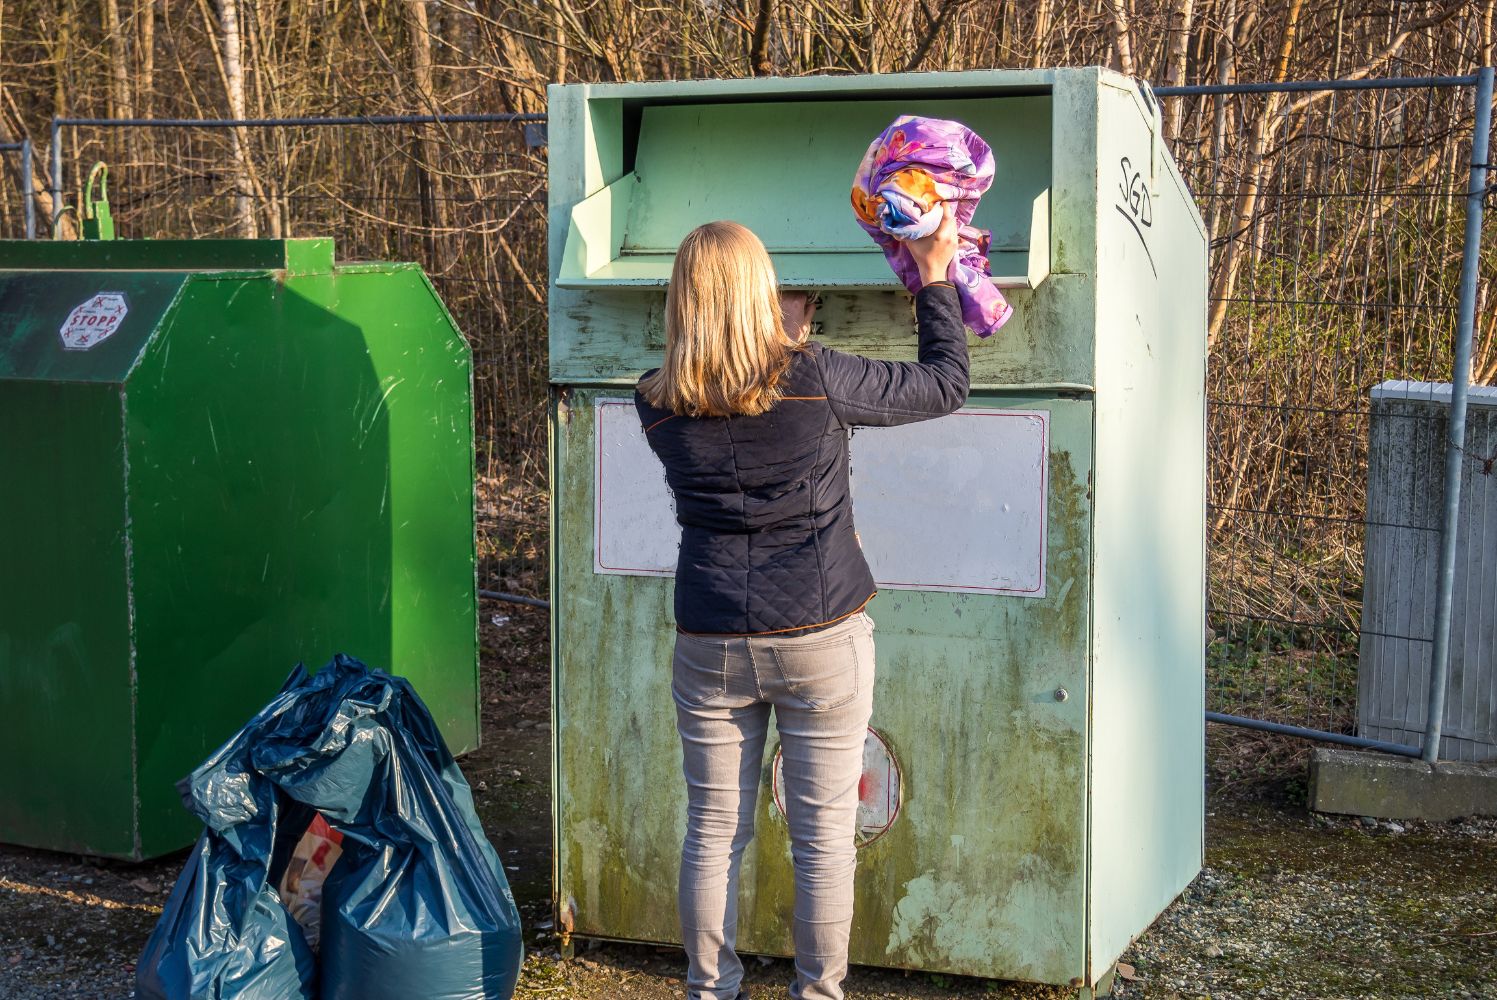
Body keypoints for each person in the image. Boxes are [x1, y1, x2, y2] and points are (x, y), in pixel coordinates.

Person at [634, 205, 967, 1000]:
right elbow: (944, 385)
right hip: (820, 635)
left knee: (713, 832)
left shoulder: (653, 400)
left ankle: (708, 989)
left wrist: (766, 338)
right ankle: (819, 993)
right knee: (821, 841)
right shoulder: (815, 377)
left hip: (709, 639)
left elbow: (727, 391)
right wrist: (934, 275)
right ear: (765, 293)